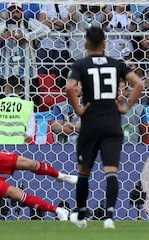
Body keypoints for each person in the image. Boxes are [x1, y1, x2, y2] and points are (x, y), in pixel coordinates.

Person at [66, 26, 143, 229]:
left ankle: (81, 216)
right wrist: (126, 107)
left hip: (90, 123)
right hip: (112, 123)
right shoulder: (115, 64)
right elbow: (139, 84)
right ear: (104, 44)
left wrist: (78, 109)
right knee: (111, 171)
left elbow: (69, 87)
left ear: (85, 44)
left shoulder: (81, 64)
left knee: (84, 171)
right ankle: (109, 217)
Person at [0, 3, 50, 81]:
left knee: (31, 92)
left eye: (17, 11)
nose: (15, 14)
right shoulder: (3, 26)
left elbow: (46, 29)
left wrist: (26, 36)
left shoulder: (29, 23)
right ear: (8, 13)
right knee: (6, 92)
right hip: (8, 73)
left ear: (22, 12)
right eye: (12, 12)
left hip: (28, 72)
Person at [0, 75, 35, 144]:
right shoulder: (27, 105)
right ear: (21, 89)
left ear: (6, 87)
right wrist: (19, 142)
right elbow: (30, 131)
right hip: (20, 148)